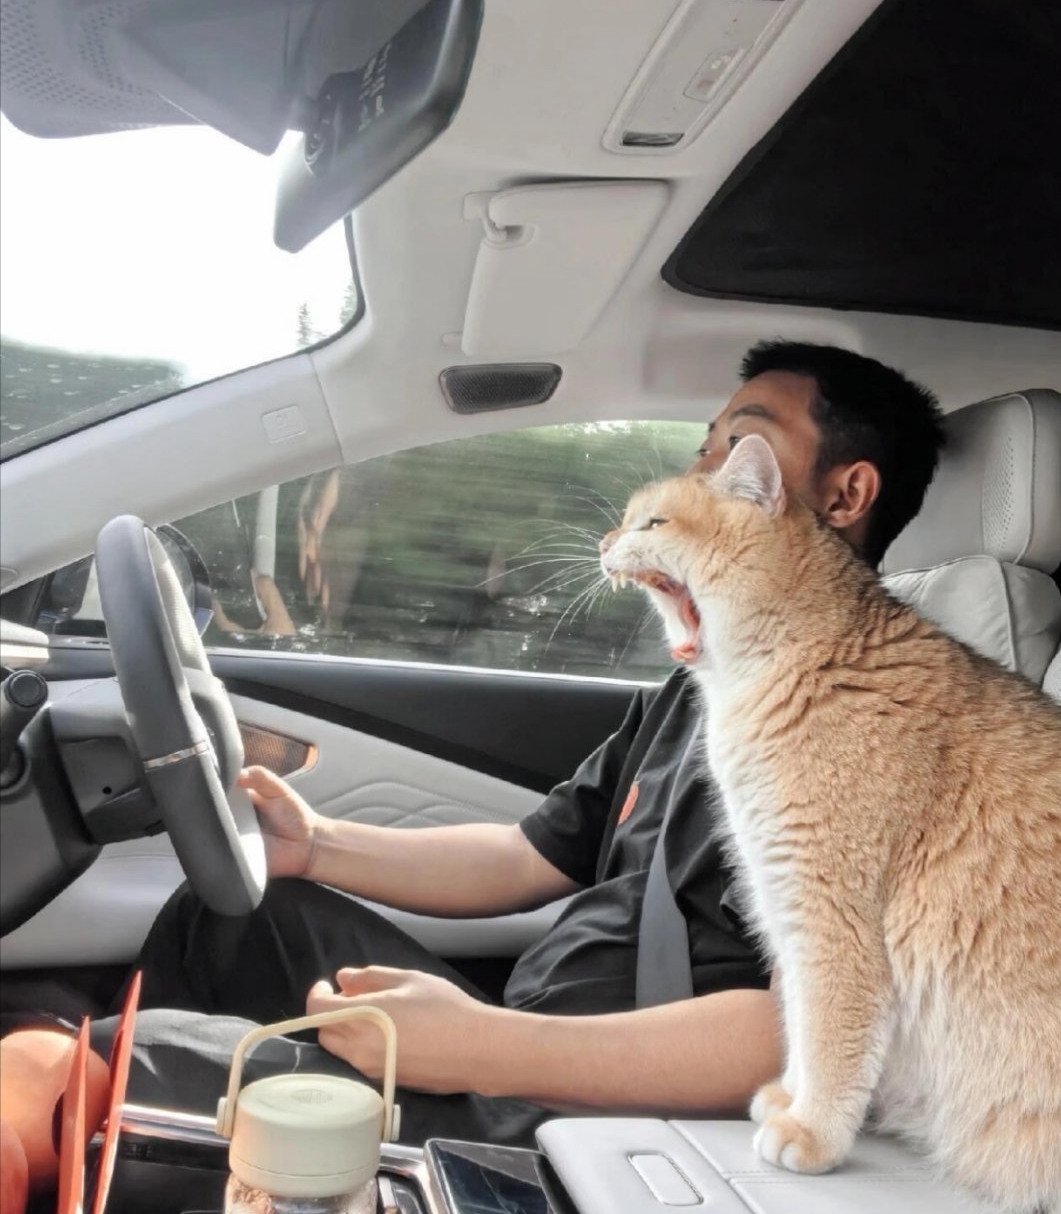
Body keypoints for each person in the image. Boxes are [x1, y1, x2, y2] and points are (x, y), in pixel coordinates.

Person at [91, 341, 946, 1147]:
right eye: (702, 450)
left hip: (603, 1120)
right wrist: (315, 846)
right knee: (235, 920)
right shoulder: (699, 687)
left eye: (738, 448)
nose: (696, 476)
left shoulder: (877, 720)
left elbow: (807, 1024)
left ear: (844, 496)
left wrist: (482, 1047)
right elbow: (521, 857)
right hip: (529, 1045)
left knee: (95, 1078)